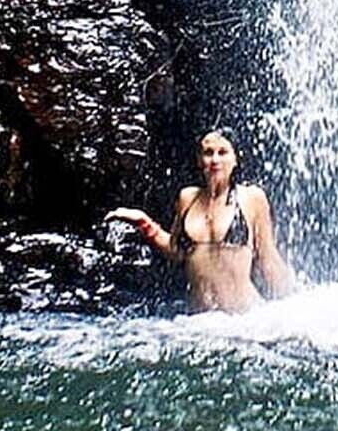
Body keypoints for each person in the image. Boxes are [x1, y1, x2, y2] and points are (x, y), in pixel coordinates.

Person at [106, 129, 295, 312]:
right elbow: (177, 251)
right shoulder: (187, 198)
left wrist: (295, 302)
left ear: (235, 159)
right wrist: (144, 223)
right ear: (199, 160)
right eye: (208, 153)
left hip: (242, 321)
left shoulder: (252, 198)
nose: (215, 160)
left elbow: (267, 258)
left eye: (223, 153)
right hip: (199, 322)